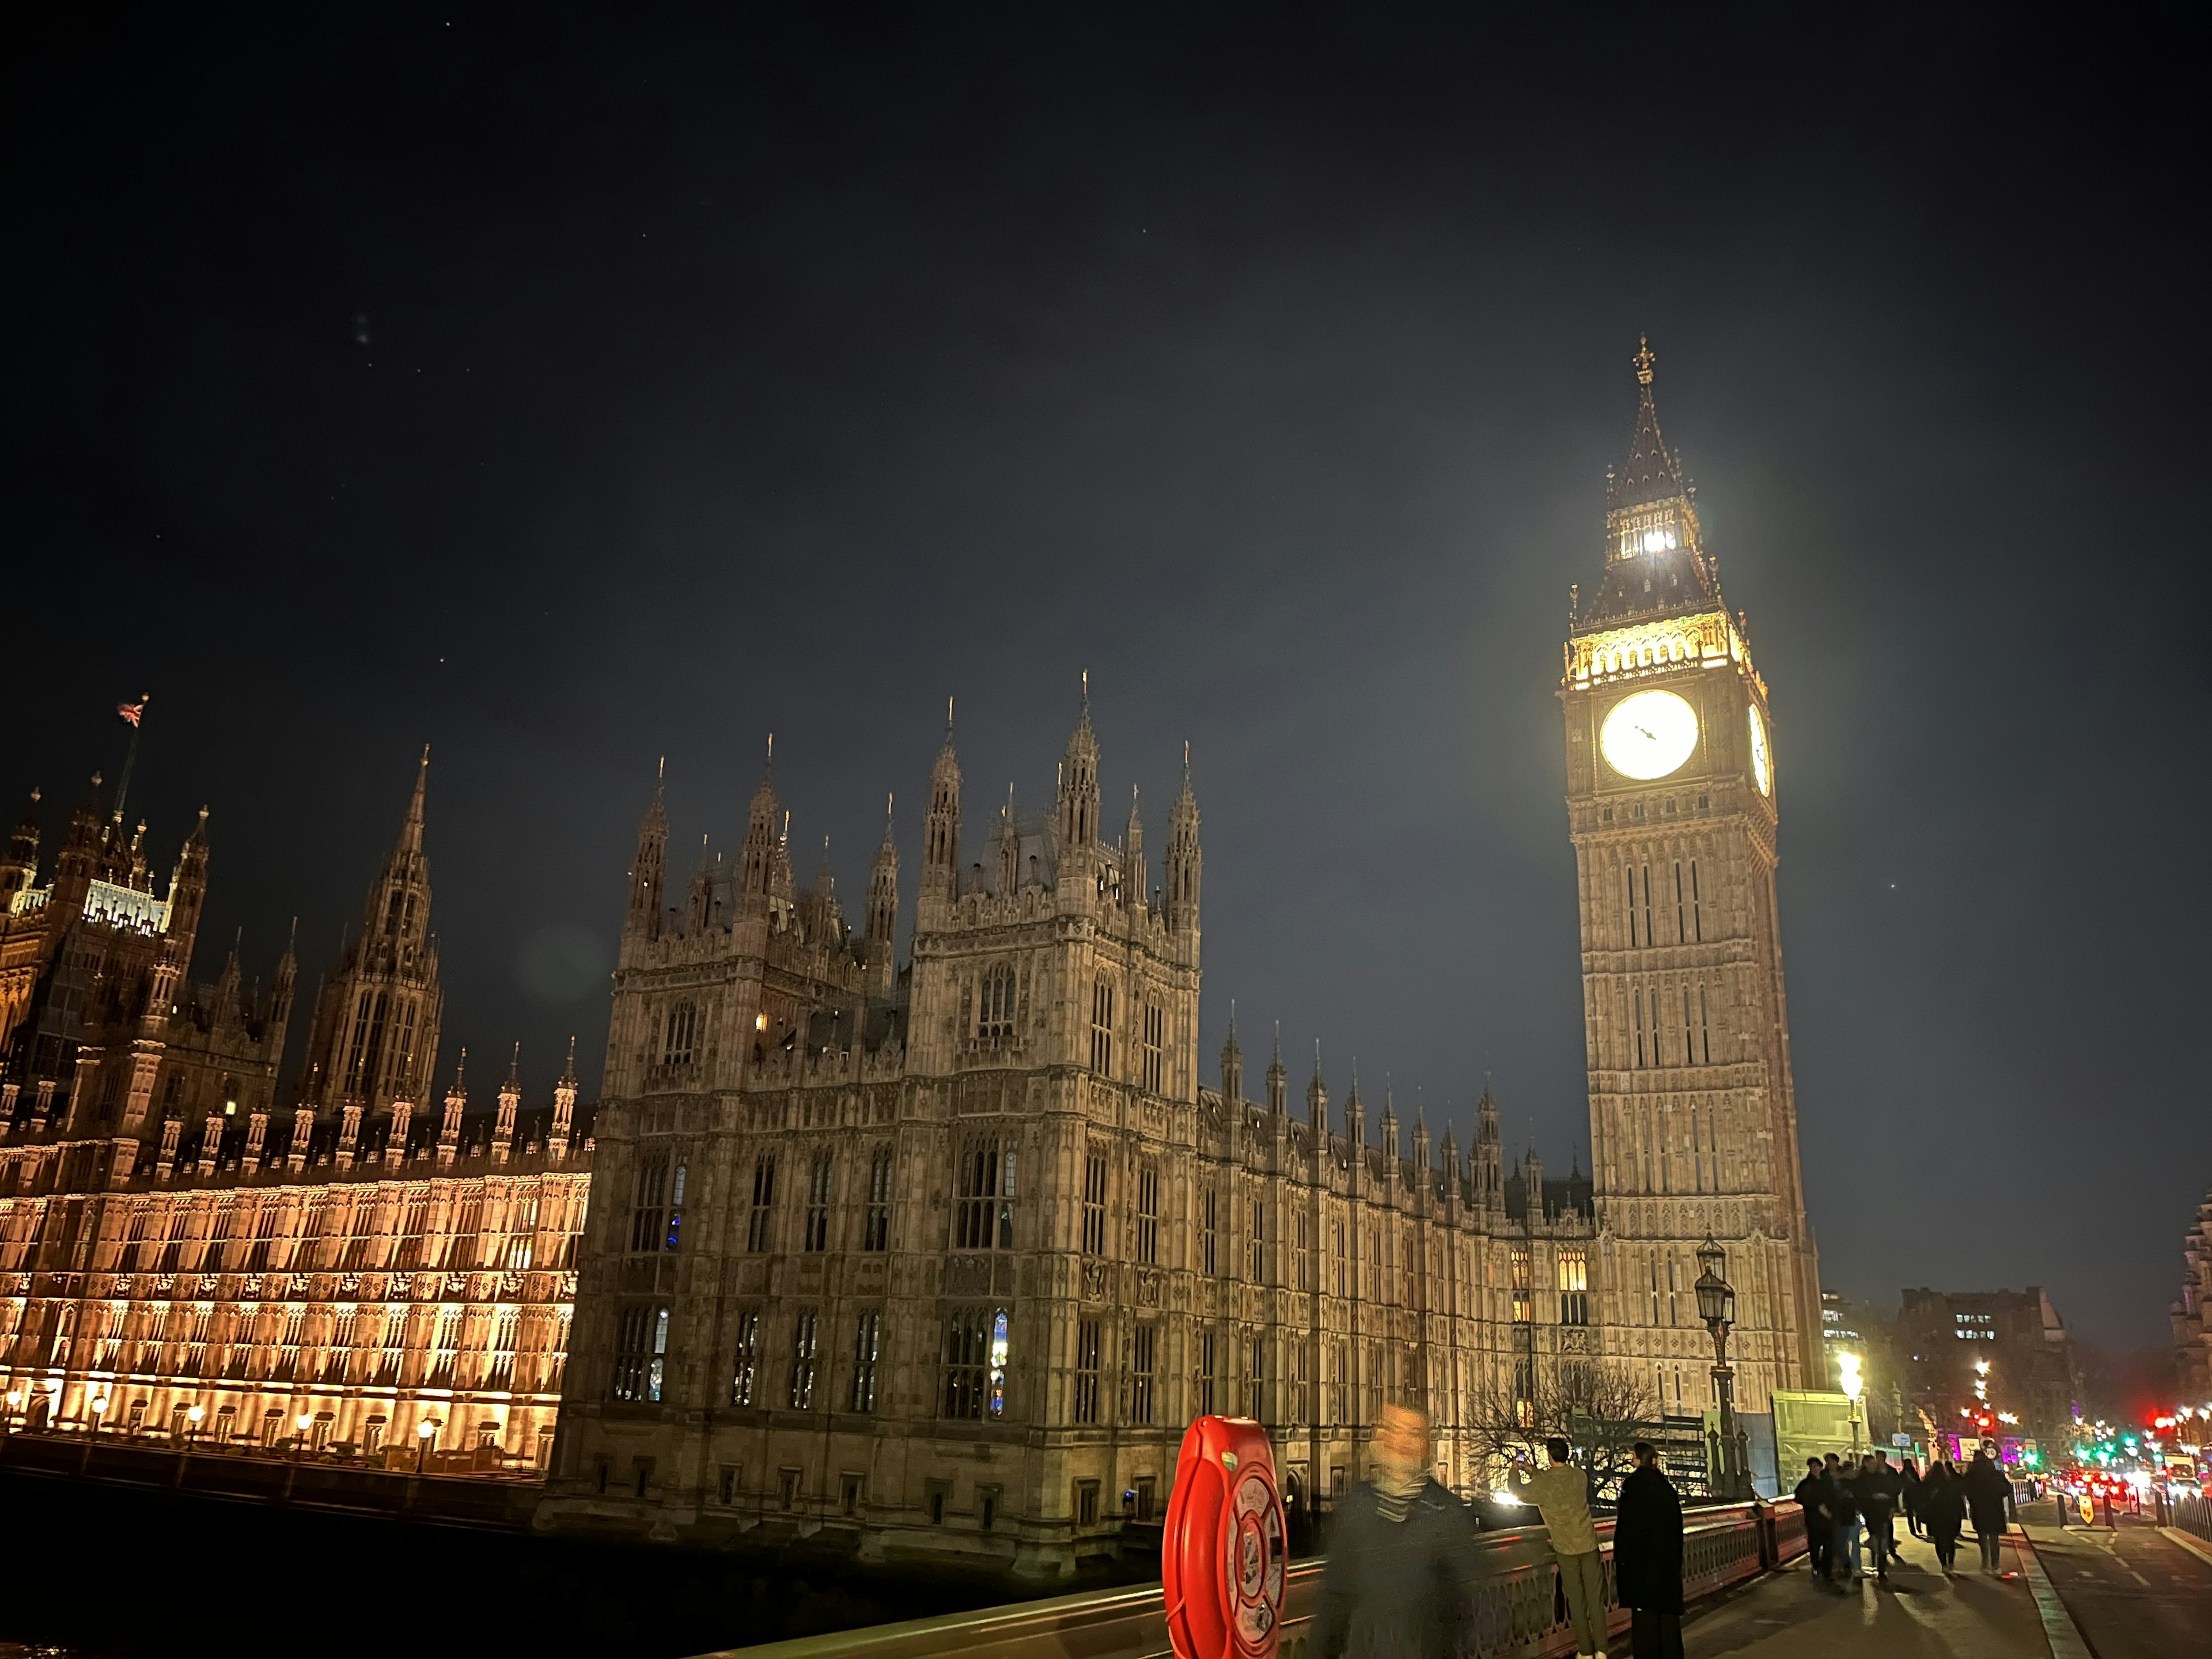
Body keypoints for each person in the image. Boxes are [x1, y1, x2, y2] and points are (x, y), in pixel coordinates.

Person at [1315, 1404, 1480, 1659]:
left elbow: (1471, 1611)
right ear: (1381, 1436)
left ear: (1425, 1445)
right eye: (1394, 1430)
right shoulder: (1357, 1506)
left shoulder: (1448, 1513)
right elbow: (1333, 1602)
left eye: (1413, 1433)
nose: (1401, 1442)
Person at [1510, 1437, 1606, 1659]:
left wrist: (1516, 1469)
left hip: (1567, 1549)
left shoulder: (1544, 1485)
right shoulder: (1579, 1476)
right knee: (1595, 1600)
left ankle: (1586, 1652)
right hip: (1589, 1545)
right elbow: (1558, 1482)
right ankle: (1602, 1651)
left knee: (1578, 1602)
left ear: (1550, 1456)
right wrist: (1534, 1471)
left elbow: (1517, 1491)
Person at [1613, 1442, 1684, 1658]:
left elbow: (1626, 1526)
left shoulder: (1632, 1486)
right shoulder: (1666, 1487)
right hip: (1666, 1562)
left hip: (1642, 1562)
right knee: (1667, 1617)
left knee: (1644, 1619)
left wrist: (1622, 1557)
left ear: (1637, 1458)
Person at [1964, 1449, 2012, 1575]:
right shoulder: (1994, 1473)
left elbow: (1965, 1490)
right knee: (1994, 1538)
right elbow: (2007, 1489)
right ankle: (1995, 1564)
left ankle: (1985, 1563)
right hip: (1994, 1507)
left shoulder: (1971, 1474)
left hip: (1979, 1508)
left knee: (1983, 1537)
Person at [1792, 1457, 1834, 1585]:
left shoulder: (1827, 1481)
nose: (1815, 1469)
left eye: (1816, 1466)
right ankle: (1817, 1566)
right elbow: (1799, 1498)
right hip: (1814, 1519)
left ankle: (1826, 1570)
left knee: (1829, 1546)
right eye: (1812, 1467)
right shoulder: (1806, 1484)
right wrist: (1817, 1505)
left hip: (1827, 1519)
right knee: (1815, 1545)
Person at [1920, 1459, 1966, 1575]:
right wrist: (1960, 1513)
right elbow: (1957, 1499)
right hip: (1949, 1516)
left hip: (1935, 1517)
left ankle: (1943, 1564)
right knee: (1950, 1541)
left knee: (1939, 1541)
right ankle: (1950, 1563)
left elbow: (1922, 1500)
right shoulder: (1949, 1483)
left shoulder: (1927, 1484)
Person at [1824, 1453, 1861, 1586]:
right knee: (1839, 1542)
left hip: (1847, 1514)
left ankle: (1847, 1566)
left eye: (1833, 1461)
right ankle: (1844, 1565)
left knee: (1845, 1541)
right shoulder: (1826, 1476)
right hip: (1834, 1514)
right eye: (1829, 1462)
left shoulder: (1843, 1477)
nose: (1831, 1464)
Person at [1899, 1457, 1924, 1539]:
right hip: (1915, 1495)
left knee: (1910, 1514)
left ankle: (1913, 1530)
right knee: (1917, 1513)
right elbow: (1919, 1484)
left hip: (1907, 1495)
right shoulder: (1914, 1473)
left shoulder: (1903, 1474)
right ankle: (1918, 1527)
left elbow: (1901, 1485)